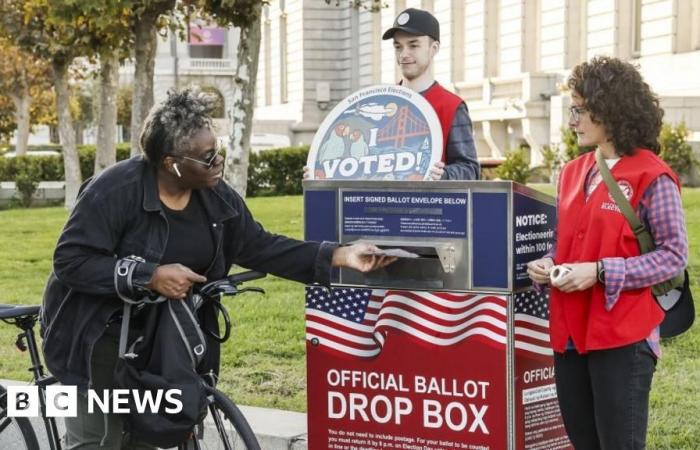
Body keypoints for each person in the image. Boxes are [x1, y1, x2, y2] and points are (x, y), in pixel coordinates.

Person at [40, 89, 395, 449]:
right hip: (94, 339)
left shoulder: (216, 196)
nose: (218, 161)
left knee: (152, 436)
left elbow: (258, 245)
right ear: (170, 163)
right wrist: (151, 275)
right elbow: (71, 260)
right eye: (206, 157)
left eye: (218, 149)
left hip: (160, 340)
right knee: (98, 442)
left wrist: (339, 255)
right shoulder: (116, 189)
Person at [526, 56, 688, 449]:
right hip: (569, 335)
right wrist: (549, 261)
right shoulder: (571, 172)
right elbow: (567, 238)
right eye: (572, 109)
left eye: (580, 109)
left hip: (623, 339)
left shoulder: (652, 175)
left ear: (610, 108)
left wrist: (600, 271)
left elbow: (673, 255)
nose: (572, 119)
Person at [383, 8, 480, 180]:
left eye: (413, 45)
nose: (404, 54)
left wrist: (445, 175)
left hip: (429, 205)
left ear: (433, 49)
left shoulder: (452, 107)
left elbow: (470, 170)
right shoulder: (383, 103)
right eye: (398, 47)